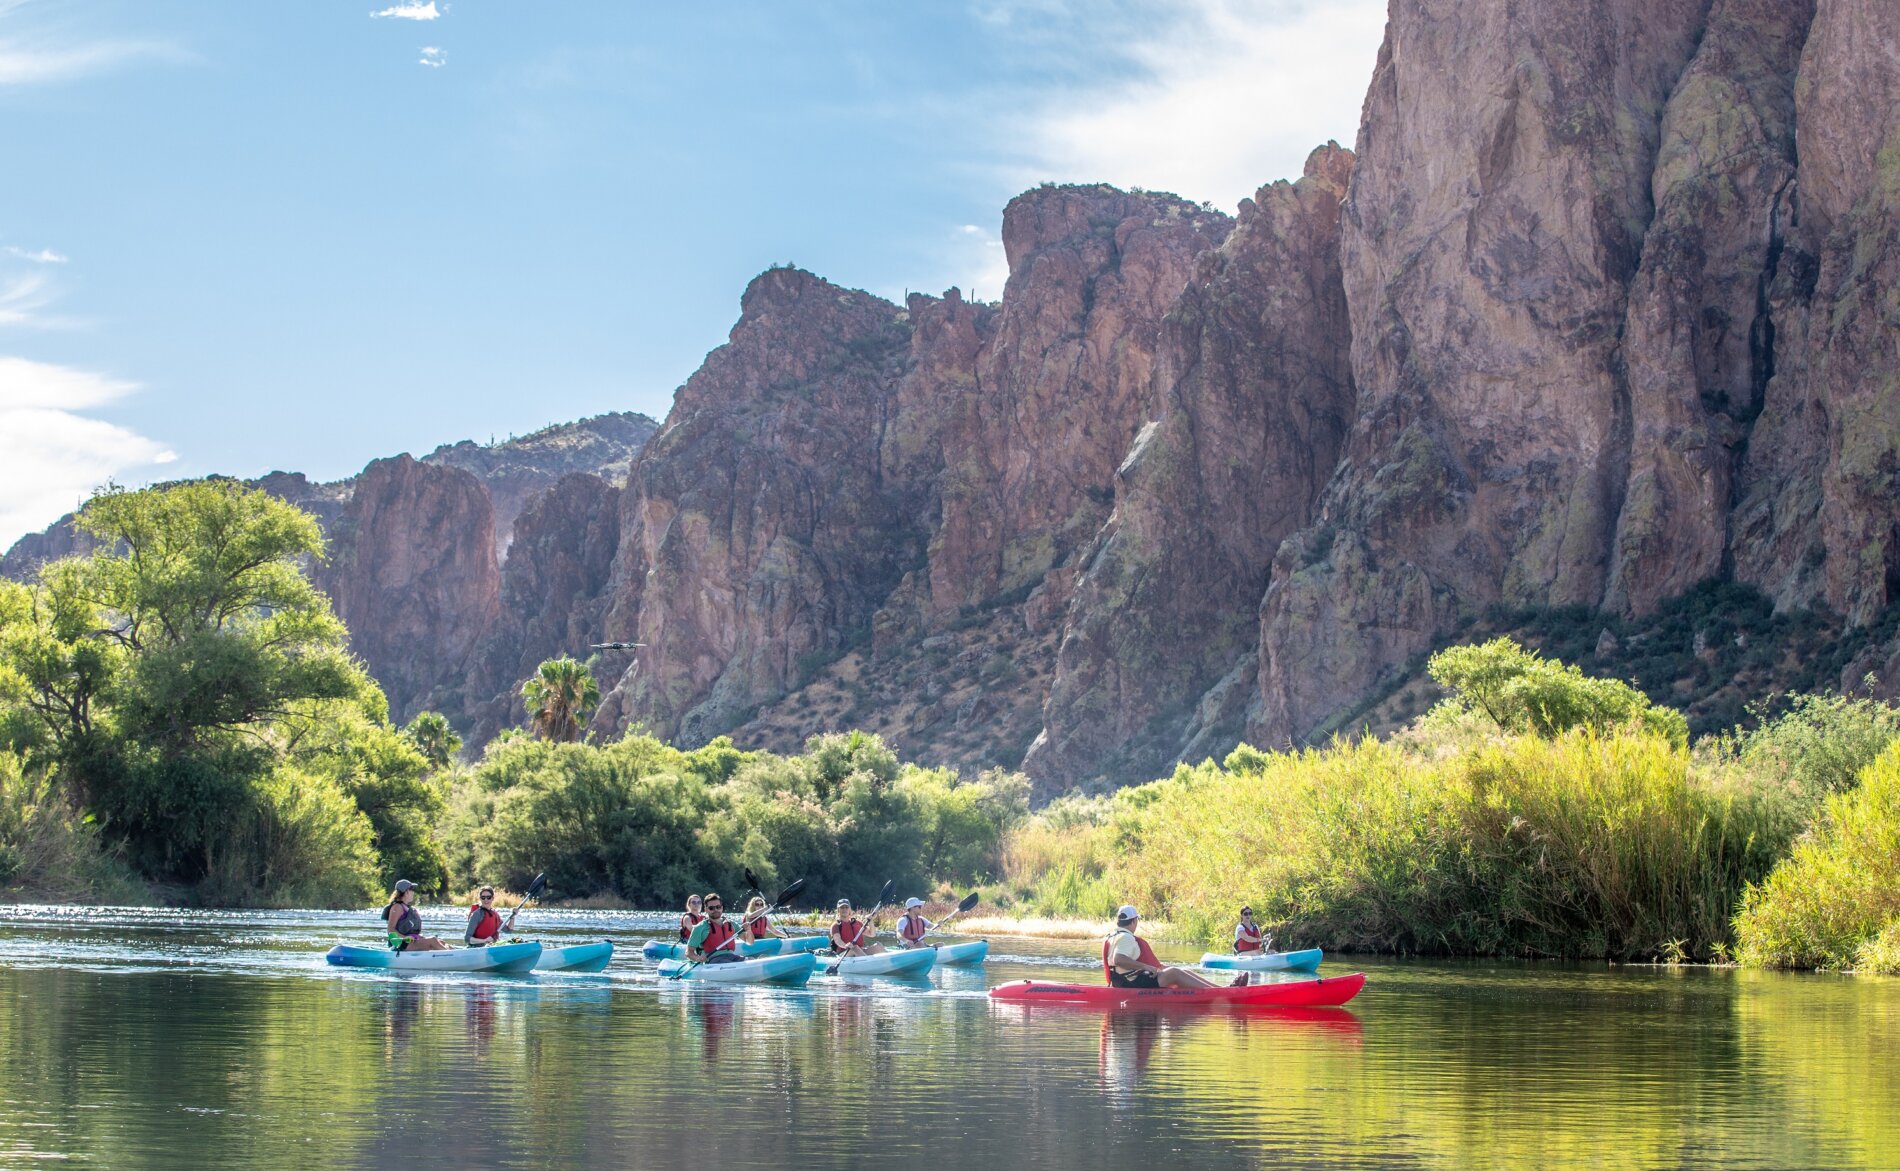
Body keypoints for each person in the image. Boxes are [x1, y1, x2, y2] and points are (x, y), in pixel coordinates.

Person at [1103, 905, 1236, 989]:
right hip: (1129, 983)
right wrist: (1145, 967)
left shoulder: (1114, 935)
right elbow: (1118, 959)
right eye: (1136, 920)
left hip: (1125, 981)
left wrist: (1148, 967)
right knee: (1174, 972)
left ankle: (1221, 989)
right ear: (1133, 921)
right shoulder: (1126, 937)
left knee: (1179, 970)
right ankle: (1219, 992)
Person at [384, 879, 449, 952]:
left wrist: (419, 937)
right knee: (433, 940)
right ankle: (453, 956)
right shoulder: (397, 907)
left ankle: (458, 953)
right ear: (406, 892)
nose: (413, 892)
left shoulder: (410, 908)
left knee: (440, 941)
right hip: (400, 944)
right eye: (412, 889)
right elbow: (390, 929)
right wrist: (405, 937)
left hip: (411, 942)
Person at [685, 892, 744, 963]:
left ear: (722, 908)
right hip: (712, 959)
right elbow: (688, 953)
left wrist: (748, 930)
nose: (715, 910)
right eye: (711, 908)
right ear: (706, 909)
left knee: (750, 959)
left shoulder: (730, 924)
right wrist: (697, 958)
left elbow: (749, 940)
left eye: (718, 907)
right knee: (727, 962)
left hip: (730, 956)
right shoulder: (698, 927)